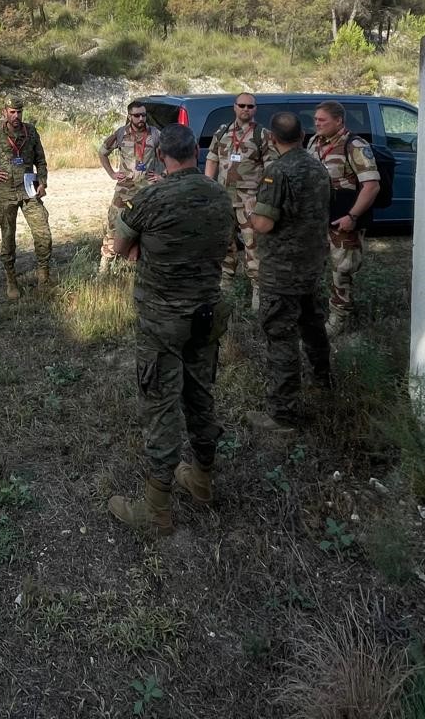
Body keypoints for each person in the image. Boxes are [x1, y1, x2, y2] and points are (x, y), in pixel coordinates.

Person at [106, 123, 235, 538]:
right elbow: (227, 245)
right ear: (195, 155)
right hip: (205, 315)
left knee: (161, 406)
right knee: (200, 395)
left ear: (162, 155)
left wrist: (149, 248)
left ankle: (157, 508)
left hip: (163, 320)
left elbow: (122, 247)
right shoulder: (219, 195)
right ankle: (201, 477)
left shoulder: (152, 197)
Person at [249, 112, 333, 428]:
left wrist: (250, 215)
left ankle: (282, 414)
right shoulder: (318, 168)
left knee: (281, 336)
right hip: (312, 266)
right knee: (314, 327)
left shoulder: (277, 173)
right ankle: (323, 380)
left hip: (282, 272)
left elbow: (265, 223)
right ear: (302, 136)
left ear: (272, 139)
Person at [0, 97, 52, 299]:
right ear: (4, 112)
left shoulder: (30, 131)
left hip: (29, 190)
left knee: (43, 234)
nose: (16, 116)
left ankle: (44, 276)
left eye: (19, 112)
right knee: (8, 237)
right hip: (6, 192)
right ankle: (11, 279)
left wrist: (42, 181)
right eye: (12, 112)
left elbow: (41, 160)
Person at [310, 100, 382, 335]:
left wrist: (352, 216)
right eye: (316, 119)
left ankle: (340, 319)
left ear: (339, 120)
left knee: (342, 271)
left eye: (322, 120)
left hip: (344, 221)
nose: (316, 123)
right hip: (319, 219)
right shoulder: (314, 142)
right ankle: (319, 311)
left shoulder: (355, 145)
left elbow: (371, 186)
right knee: (317, 267)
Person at [203, 93, 276, 304]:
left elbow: (271, 168)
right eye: (242, 105)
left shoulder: (262, 134)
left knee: (253, 245)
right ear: (234, 107)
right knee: (225, 242)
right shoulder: (222, 131)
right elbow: (212, 158)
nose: (246, 109)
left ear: (255, 109)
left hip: (249, 201)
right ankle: (226, 283)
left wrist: (263, 196)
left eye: (250, 106)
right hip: (224, 199)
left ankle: (257, 289)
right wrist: (209, 187)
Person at [96, 100, 164, 275]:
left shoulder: (155, 134)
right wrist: (112, 173)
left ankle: (142, 266)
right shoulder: (121, 134)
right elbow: (103, 152)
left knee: (150, 228)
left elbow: (169, 155)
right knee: (114, 225)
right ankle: (105, 266)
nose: (141, 118)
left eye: (143, 115)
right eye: (137, 115)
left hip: (148, 191)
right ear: (129, 116)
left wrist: (162, 176)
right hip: (124, 191)